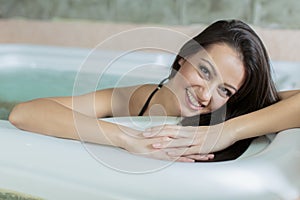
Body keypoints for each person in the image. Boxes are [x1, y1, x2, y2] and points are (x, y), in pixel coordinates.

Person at [9, 20, 300, 162]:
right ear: (184, 57)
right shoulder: (135, 99)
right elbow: (24, 113)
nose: (205, 95)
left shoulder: (234, 113)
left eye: (224, 90)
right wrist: (126, 138)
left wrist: (227, 131)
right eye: (205, 71)